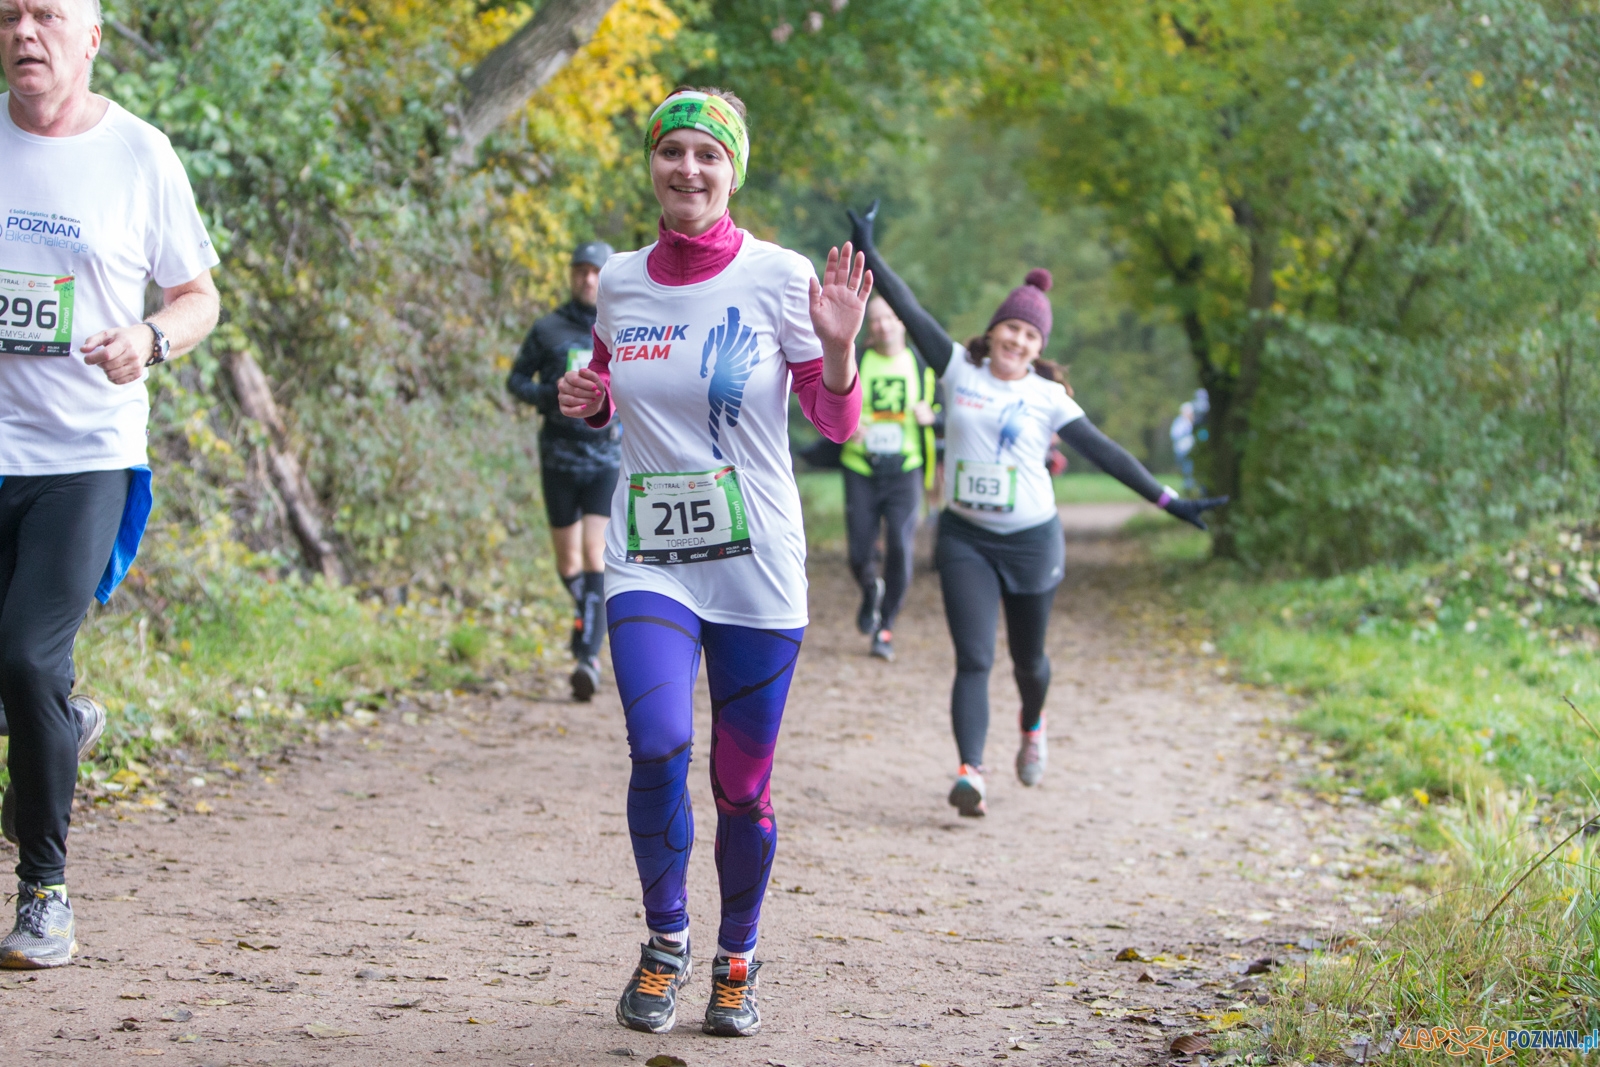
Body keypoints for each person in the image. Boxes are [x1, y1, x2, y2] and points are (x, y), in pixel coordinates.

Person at [558, 88, 868, 1038]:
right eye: (673, 151)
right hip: (650, 554)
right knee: (656, 743)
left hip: (755, 564)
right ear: (651, 162)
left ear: (734, 171)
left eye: (708, 155)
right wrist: (591, 395)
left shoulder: (779, 276)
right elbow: (618, 382)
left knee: (743, 786)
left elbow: (834, 418)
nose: (688, 169)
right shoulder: (618, 278)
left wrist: (842, 347)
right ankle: (666, 942)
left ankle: (736, 957)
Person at [847, 201, 1224, 817]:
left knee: (1030, 662)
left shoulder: (1047, 397)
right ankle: (971, 771)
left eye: (1030, 334)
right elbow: (911, 310)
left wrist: (1170, 501)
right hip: (966, 537)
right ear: (993, 330)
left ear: (1037, 344)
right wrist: (868, 242)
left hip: (1031, 542)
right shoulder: (956, 368)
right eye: (1010, 328)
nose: (1017, 340)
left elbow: (1106, 452)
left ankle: (1033, 724)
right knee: (973, 658)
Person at [0, 0, 221, 967]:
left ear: (91, 37)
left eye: (47, 16)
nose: (24, 33)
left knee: (28, 654)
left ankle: (44, 890)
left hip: (83, 454)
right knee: (27, 679)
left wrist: (150, 337)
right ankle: (54, 723)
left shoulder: (140, 154)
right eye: (10, 15)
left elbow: (199, 295)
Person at [507, 240, 618, 701]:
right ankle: (590, 619)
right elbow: (515, 380)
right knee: (568, 563)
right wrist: (547, 397)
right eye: (581, 271)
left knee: (596, 558)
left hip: (606, 460)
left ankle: (586, 656)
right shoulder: (548, 329)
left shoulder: (624, 325)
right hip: (558, 459)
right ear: (572, 276)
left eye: (596, 272)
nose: (588, 279)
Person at [840, 295, 936, 661]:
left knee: (900, 545)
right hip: (861, 467)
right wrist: (847, 426)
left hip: (906, 468)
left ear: (903, 322)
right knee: (859, 552)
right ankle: (870, 592)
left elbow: (945, 408)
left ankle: (886, 626)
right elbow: (833, 402)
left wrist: (934, 416)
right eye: (876, 319)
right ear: (868, 325)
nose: (883, 325)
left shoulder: (922, 364)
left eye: (890, 317)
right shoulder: (857, 359)